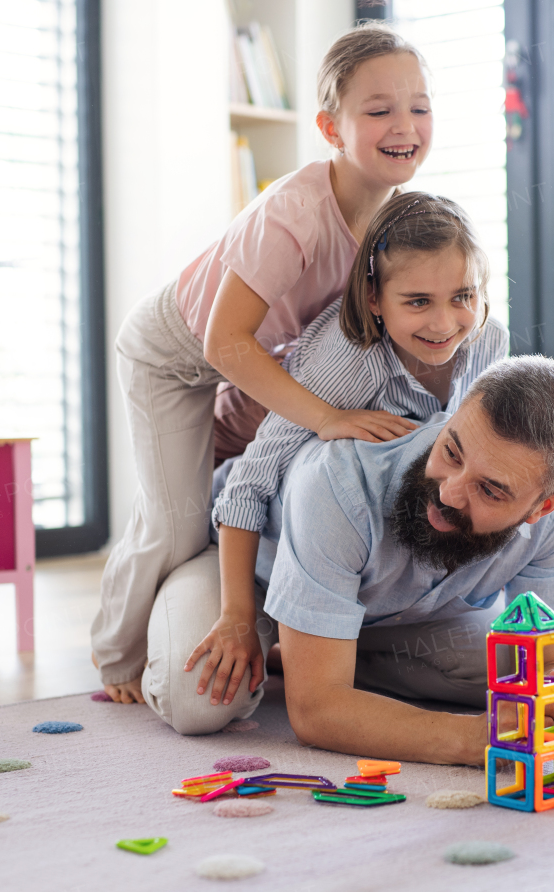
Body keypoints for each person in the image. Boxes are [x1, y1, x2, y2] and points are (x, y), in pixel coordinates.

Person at [91, 24, 433, 703]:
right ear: (331, 128)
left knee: (256, 490)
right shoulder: (297, 212)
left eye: (419, 106)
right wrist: (329, 417)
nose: (405, 126)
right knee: (175, 518)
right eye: (379, 110)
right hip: (176, 354)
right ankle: (116, 656)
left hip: (255, 359)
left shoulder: (396, 218)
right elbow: (223, 344)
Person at [143, 356, 554, 759]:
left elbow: (540, 662)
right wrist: (477, 738)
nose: (448, 491)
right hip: (249, 575)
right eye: (451, 450)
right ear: (453, 416)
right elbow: (315, 714)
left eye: (489, 490)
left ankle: (317, 651)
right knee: (197, 701)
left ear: (543, 506)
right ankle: (315, 650)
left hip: (392, 618)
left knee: (515, 676)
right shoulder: (338, 481)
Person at [188, 191, 509, 708]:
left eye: (463, 296)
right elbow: (249, 484)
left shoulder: (490, 344)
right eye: (418, 301)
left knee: (497, 677)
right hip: (257, 553)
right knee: (200, 703)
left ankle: (322, 655)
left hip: (364, 578)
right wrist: (237, 617)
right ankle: (286, 641)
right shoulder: (350, 361)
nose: (445, 323)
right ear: (375, 299)